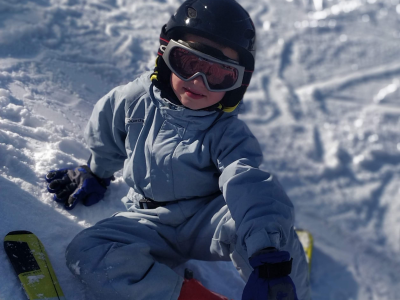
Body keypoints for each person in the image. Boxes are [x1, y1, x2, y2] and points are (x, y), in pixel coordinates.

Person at [44, 0, 311, 299]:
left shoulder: (227, 131)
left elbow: (246, 182)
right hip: (149, 218)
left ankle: (283, 289)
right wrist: (97, 171)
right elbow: (107, 130)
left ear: (238, 84)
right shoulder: (133, 101)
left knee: (273, 236)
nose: (198, 81)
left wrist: (268, 252)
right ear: (165, 54)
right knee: (88, 251)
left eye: (218, 74)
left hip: (207, 220)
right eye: (189, 63)